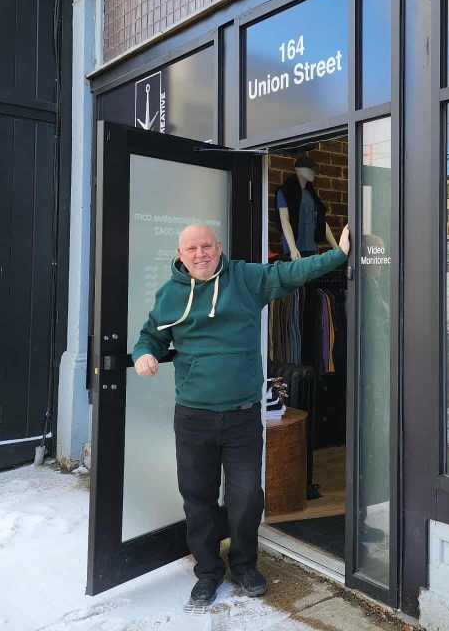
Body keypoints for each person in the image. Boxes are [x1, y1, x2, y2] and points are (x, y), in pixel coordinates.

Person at [132, 222, 350, 609]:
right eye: (191, 249)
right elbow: (152, 334)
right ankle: (207, 572)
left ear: (219, 247)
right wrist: (143, 353)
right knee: (197, 497)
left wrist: (340, 254)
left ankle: (245, 564)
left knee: (247, 496)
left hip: (242, 414)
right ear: (180, 255)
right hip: (194, 416)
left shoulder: (246, 279)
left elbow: (289, 272)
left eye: (206, 246)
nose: (200, 254)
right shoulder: (170, 294)